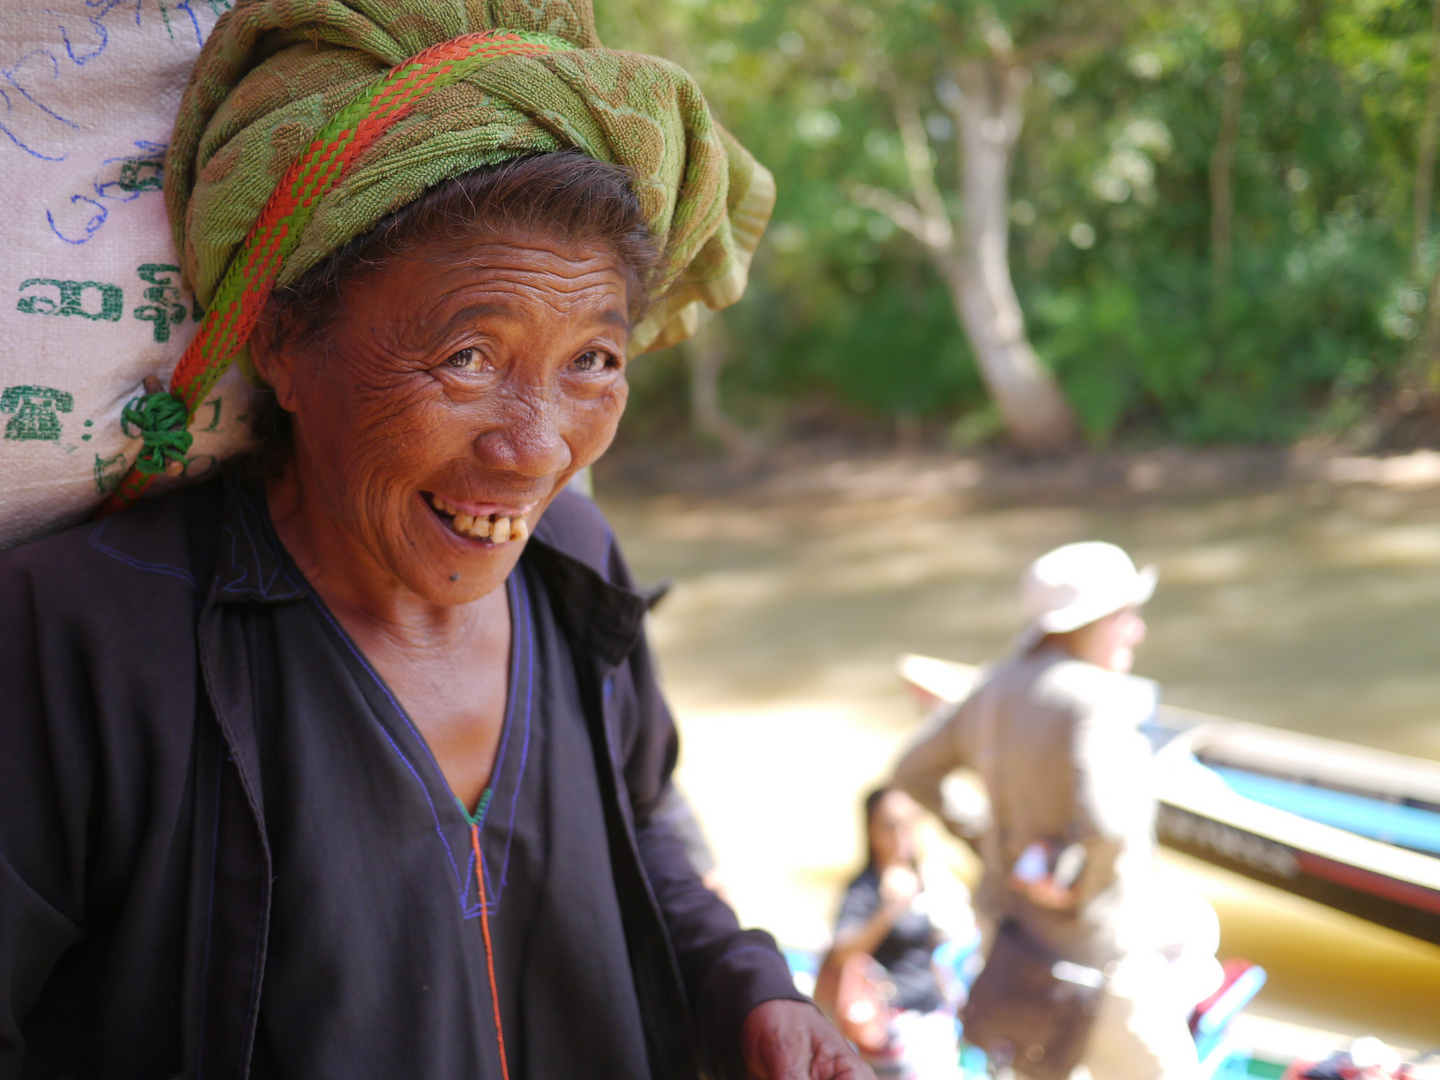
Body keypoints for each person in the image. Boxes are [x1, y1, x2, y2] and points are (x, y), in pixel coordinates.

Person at [0, 4, 868, 1078]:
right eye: (467, 355)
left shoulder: (576, 566)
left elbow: (638, 833)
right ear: (282, 341)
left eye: (593, 359)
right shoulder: (81, 641)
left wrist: (749, 989)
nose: (535, 451)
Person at [891, 542, 1220, 1080]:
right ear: (1088, 623)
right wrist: (1074, 883)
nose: (1136, 631)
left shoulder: (993, 689)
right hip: (1101, 959)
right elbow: (1110, 826)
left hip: (1011, 952)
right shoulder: (1096, 696)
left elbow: (912, 770)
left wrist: (989, 841)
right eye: (1125, 616)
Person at [821, 789, 976, 1079]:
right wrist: (888, 911)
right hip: (889, 1026)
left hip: (935, 1018)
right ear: (872, 829)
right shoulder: (866, 888)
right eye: (891, 825)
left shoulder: (930, 876)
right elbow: (841, 953)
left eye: (909, 823)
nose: (902, 833)